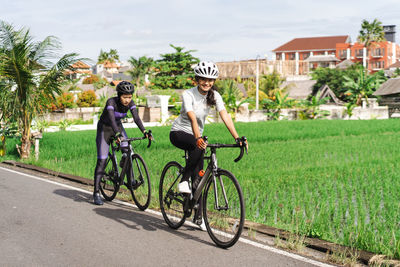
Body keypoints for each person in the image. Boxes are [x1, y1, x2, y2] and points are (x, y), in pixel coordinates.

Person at [170, 61, 247, 230]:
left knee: (200, 177)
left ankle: (198, 218)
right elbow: (191, 118)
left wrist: (237, 138)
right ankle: (183, 181)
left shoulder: (215, 95)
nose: (207, 83)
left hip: (197, 137)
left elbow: (225, 115)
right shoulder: (188, 94)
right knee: (199, 147)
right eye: (203, 79)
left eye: (210, 80)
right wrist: (197, 138)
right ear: (197, 79)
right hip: (179, 133)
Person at [93, 81, 151, 205]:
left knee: (128, 151)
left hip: (118, 127)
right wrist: (117, 134)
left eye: (129, 97)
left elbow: (136, 118)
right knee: (102, 160)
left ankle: (129, 180)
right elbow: (112, 119)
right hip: (105, 129)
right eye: (124, 97)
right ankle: (96, 193)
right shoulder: (111, 102)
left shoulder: (131, 104)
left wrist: (145, 131)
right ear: (119, 95)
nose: (127, 100)